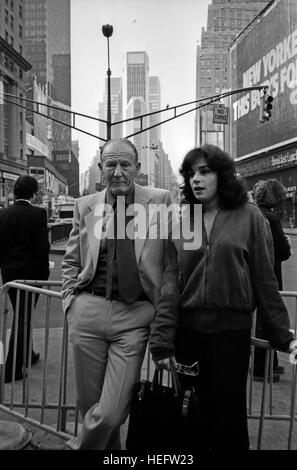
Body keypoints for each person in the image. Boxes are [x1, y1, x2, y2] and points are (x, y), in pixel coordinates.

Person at [174, 144, 296, 450]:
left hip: (231, 334)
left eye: (204, 171)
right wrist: (162, 338)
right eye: (191, 173)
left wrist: (283, 334)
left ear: (223, 175)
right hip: (187, 334)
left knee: (227, 419)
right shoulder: (181, 218)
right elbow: (169, 283)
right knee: (190, 416)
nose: (196, 180)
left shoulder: (251, 217)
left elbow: (265, 281)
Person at [61, 138, 179, 450]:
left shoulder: (160, 200)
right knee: (91, 409)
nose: (117, 172)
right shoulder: (84, 205)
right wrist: (69, 304)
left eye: (125, 164)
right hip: (87, 311)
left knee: (110, 414)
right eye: (110, 164)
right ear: (100, 169)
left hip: (136, 316)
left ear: (137, 168)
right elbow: (71, 261)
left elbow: (172, 262)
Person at [0, 176, 50, 383]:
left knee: (22, 315)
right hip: (31, 275)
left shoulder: (2, 214)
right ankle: (12, 370)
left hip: (9, 275)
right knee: (24, 317)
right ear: (33, 193)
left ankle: (28, 354)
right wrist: (44, 273)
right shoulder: (38, 213)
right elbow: (42, 248)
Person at [253, 179, 291, 382]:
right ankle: (262, 368)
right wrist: (287, 243)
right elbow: (282, 252)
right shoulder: (272, 218)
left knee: (261, 321)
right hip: (270, 276)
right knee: (268, 321)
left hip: (255, 274)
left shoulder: (254, 212)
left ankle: (270, 363)